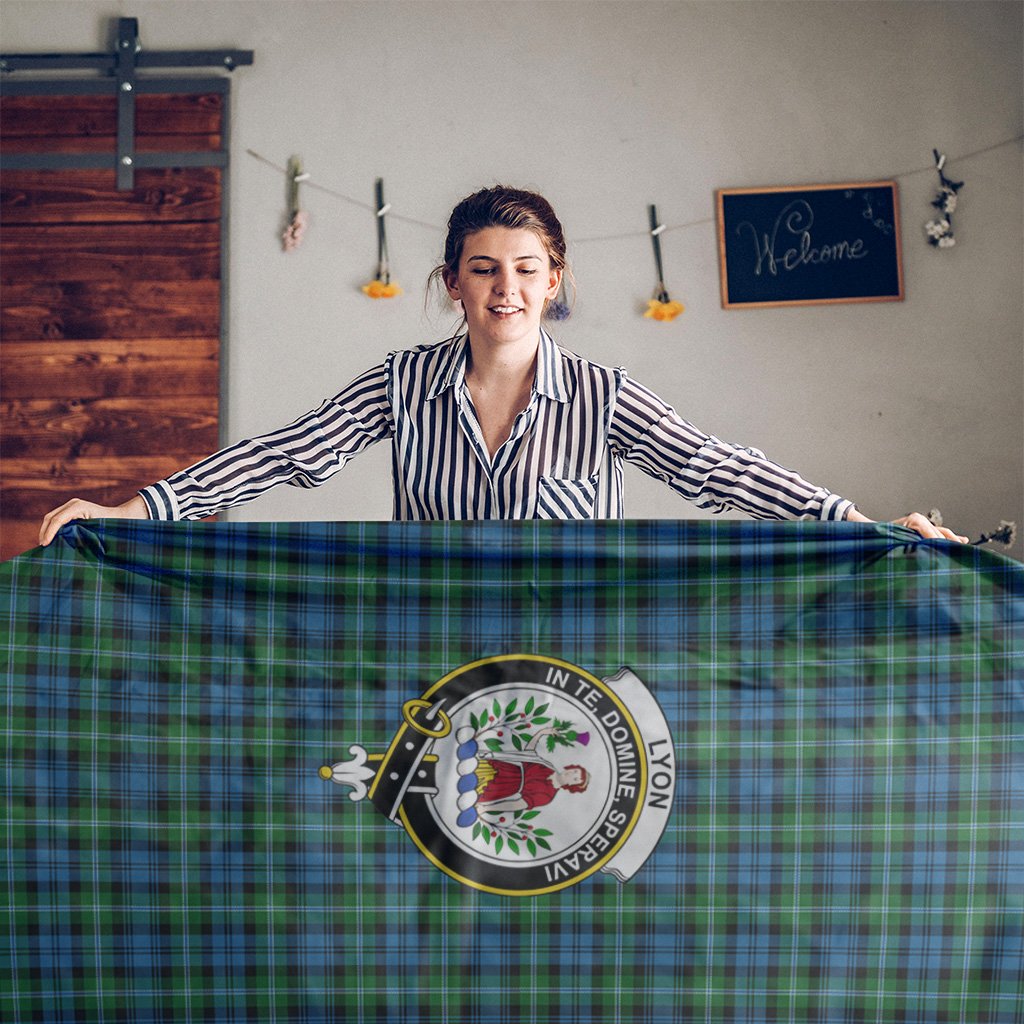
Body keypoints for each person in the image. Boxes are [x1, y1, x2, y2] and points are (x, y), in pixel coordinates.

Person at [38, 186, 968, 545]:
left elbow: (719, 468)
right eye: (484, 269)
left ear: (555, 281)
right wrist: (133, 511)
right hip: (429, 659)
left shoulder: (604, 397)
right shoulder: (401, 383)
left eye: (527, 271)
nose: (506, 289)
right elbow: (283, 455)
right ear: (453, 283)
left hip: (577, 669)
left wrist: (862, 523)